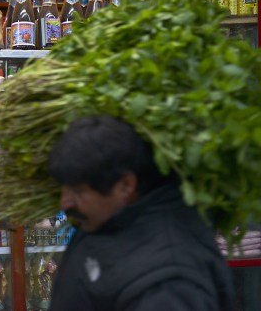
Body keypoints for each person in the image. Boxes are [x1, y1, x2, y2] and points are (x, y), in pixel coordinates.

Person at [47, 115, 234, 310]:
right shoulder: (106, 219)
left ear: (126, 185)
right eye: (65, 188)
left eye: (78, 191)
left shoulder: (169, 284)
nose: (64, 203)